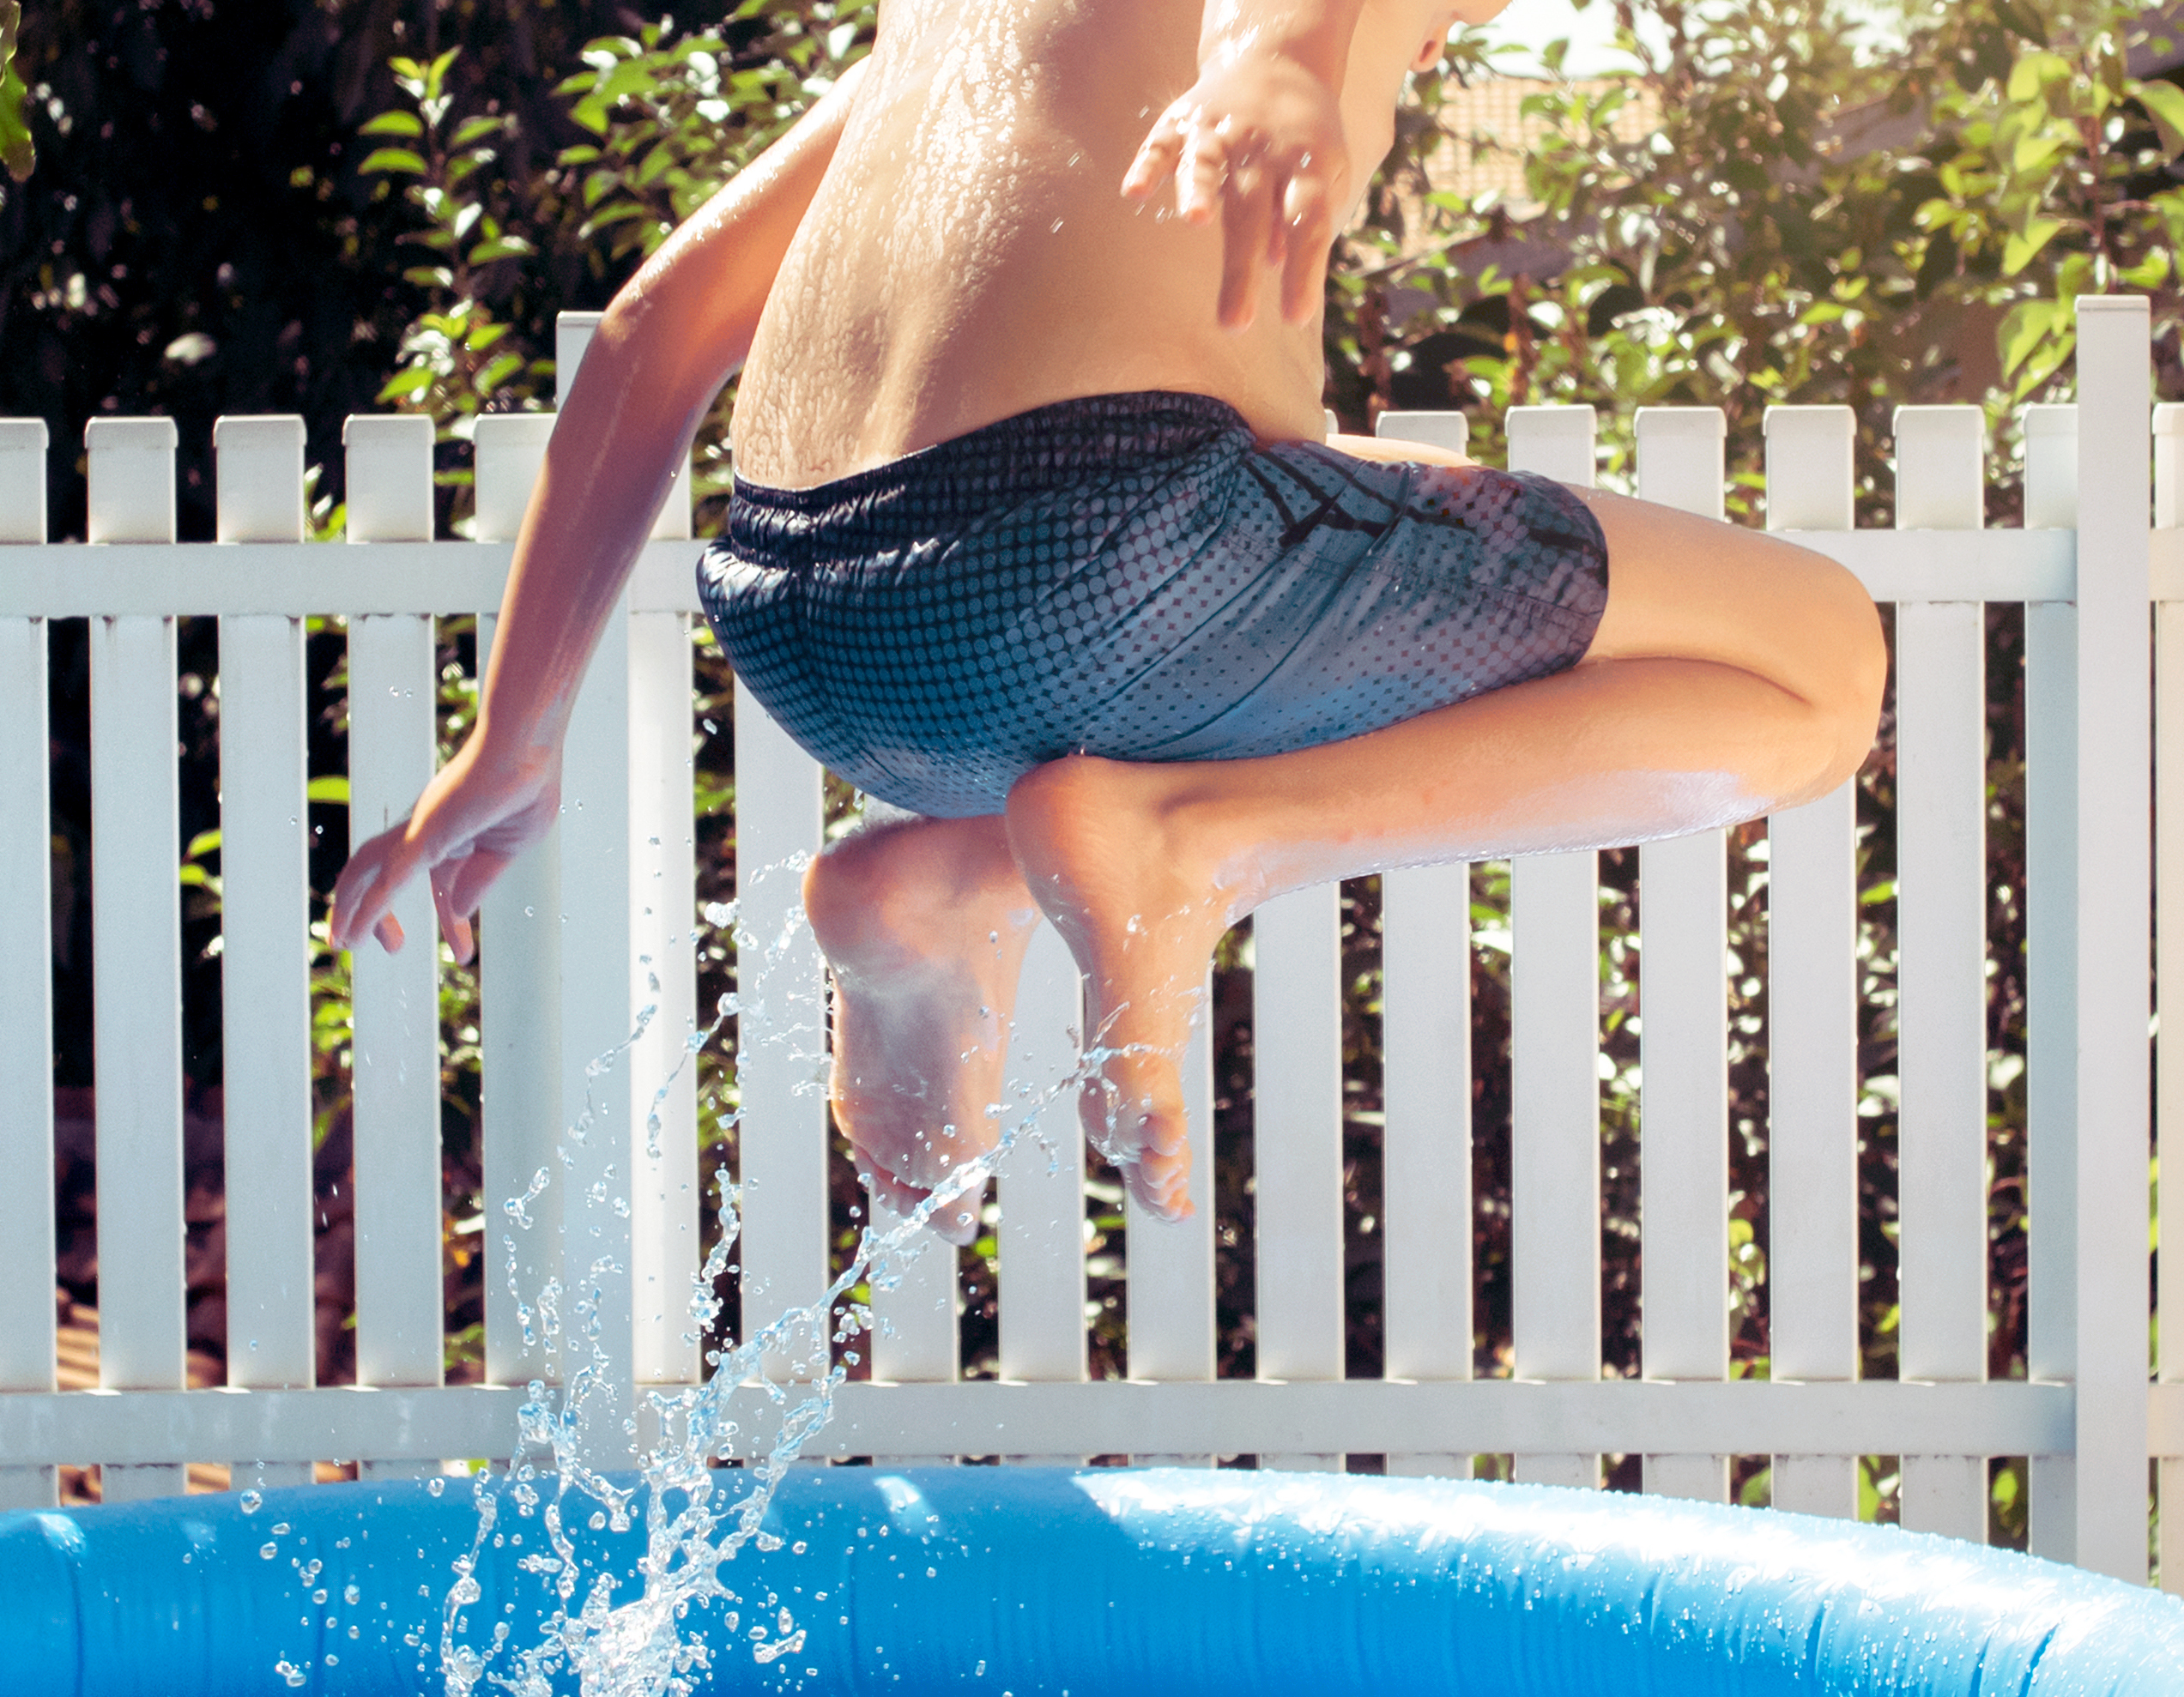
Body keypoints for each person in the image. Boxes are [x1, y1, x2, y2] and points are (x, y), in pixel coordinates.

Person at [327, 0, 1886, 1234]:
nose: (1444, 46)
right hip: (1095, 559)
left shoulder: (944, 35)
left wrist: (510, 737)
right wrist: (1279, 59)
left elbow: (648, 339)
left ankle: (954, 876)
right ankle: (1204, 841)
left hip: (811, 625)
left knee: (1322, 473)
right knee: (1822, 663)